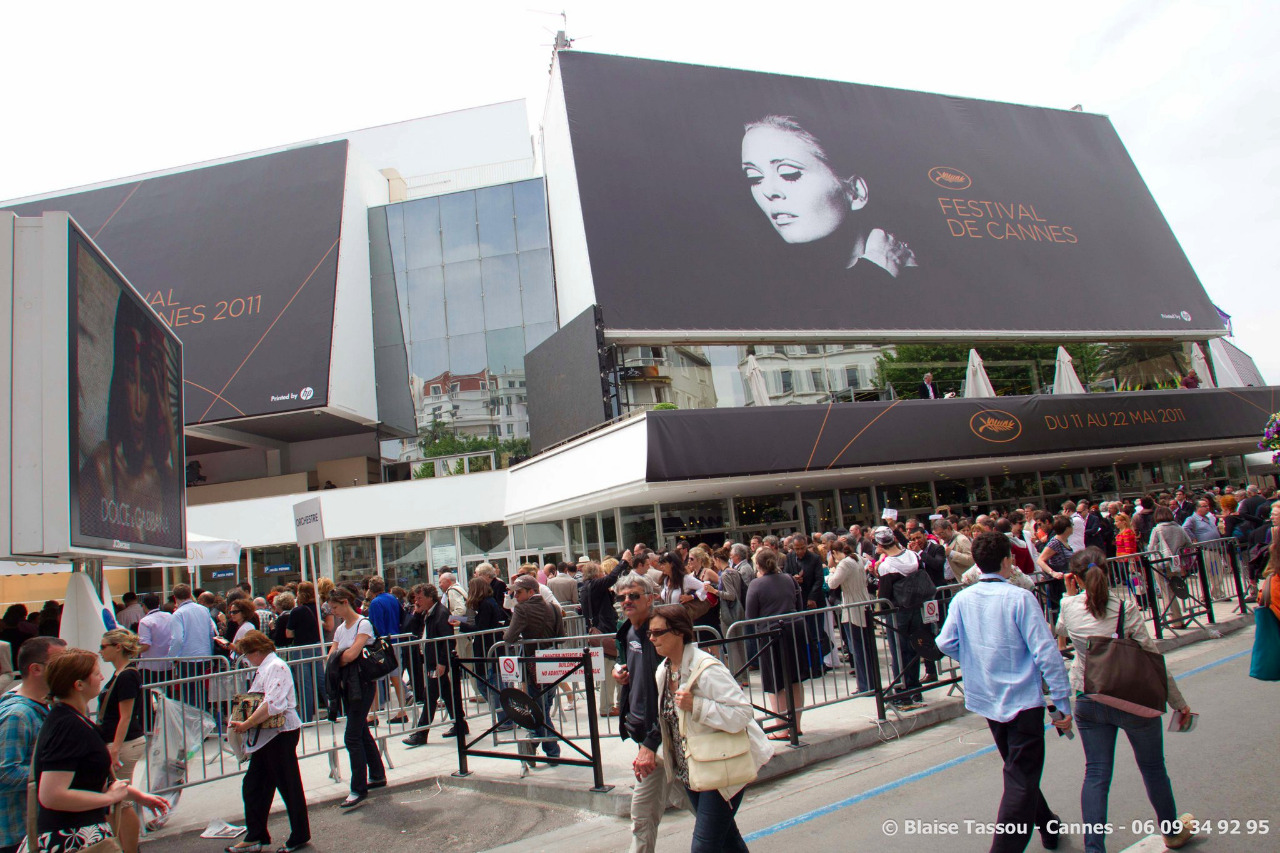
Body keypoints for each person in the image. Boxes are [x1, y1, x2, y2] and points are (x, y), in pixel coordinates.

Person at [937, 532, 1073, 853]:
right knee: (1020, 778)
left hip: (988, 697)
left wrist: (975, 659)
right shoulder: (1020, 598)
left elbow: (945, 642)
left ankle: (1048, 824)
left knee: (1018, 771)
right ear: (1006, 562)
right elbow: (1047, 654)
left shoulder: (963, 598)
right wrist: (1061, 703)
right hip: (1022, 700)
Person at [1056, 548, 1195, 851]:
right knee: (1153, 768)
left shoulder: (1068, 606)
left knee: (1096, 774)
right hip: (1132, 698)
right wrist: (1178, 702)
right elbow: (1152, 656)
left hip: (1089, 696)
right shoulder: (1125, 607)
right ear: (1106, 572)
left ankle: (1094, 848)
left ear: (1075, 578)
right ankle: (1171, 831)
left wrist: (1070, 595)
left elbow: (1061, 631)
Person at [649, 605, 771, 853]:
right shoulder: (663, 671)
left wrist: (698, 706)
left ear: (679, 632)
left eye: (658, 633)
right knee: (727, 841)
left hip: (721, 768)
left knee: (704, 847)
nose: (652, 638)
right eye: (650, 633)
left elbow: (742, 713)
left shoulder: (707, 669)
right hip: (693, 770)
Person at [24, 649, 168, 853]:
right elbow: (51, 795)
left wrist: (135, 795)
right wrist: (110, 798)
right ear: (78, 684)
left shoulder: (68, 719)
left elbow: (84, 780)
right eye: (95, 673)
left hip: (77, 834)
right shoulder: (68, 725)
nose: (101, 677)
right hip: (74, 837)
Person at [740, 114, 917, 278]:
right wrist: (876, 269)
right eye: (755, 178)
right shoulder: (756, 289)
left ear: (855, 192)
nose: (769, 191)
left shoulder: (920, 279)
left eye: (789, 174)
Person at [76, 291, 181, 550]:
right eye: (131, 380)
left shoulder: (166, 476)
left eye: (145, 385)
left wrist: (168, 423)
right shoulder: (101, 468)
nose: (136, 405)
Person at [612, 573, 682, 853]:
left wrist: (651, 744)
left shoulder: (659, 633)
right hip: (649, 736)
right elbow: (629, 664)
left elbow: (670, 694)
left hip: (669, 737)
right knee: (642, 817)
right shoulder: (626, 630)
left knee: (705, 808)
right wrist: (621, 672)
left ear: (651, 598)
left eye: (633, 595)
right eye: (622, 597)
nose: (627, 601)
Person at [226, 629, 309, 853]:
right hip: (269, 734)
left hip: (280, 733)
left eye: (248, 654)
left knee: (286, 784)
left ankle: (295, 834)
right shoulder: (268, 667)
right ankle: (257, 834)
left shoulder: (275, 667)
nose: (247, 659)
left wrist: (246, 724)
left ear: (256, 651)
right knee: (255, 785)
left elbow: (273, 704)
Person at [0, 638, 65, 853]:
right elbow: (5, 772)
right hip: (18, 833)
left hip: (32, 829)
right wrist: (59, 775)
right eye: (60, 663)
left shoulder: (43, 705)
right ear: (36, 669)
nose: (67, 668)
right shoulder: (18, 714)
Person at [323, 588, 384, 809]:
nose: (334, 611)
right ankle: (377, 774)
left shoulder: (363, 624)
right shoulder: (341, 629)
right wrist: (340, 658)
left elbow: (350, 654)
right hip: (347, 684)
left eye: (336, 607)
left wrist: (339, 658)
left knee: (352, 736)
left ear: (345, 602)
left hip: (362, 683)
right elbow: (334, 655)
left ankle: (358, 787)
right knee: (360, 731)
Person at [744, 547, 814, 740]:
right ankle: (795, 725)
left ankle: (782, 726)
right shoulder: (789, 579)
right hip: (794, 628)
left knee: (776, 682)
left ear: (757, 565)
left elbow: (750, 615)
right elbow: (799, 604)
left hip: (772, 634)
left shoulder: (756, 585)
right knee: (795, 679)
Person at [503, 576, 564, 763]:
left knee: (539, 708)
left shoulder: (522, 609)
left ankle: (547, 748)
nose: (516, 596)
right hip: (553, 662)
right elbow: (560, 637)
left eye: (519, 592)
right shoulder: (554, 607)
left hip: (534, 664)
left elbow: (509, 637)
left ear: (531, 592)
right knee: (543, 706)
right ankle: (538, 746)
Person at [96, 630, 147, 853]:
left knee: (122, 802)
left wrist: (115, 749)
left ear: (118, 647)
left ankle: (129, 848)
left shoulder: (126, 675)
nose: (100, 651)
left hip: (125, 743)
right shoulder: (121, 674)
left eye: (104, 646)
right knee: (119, 801)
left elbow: (125, 716)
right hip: (120, 742)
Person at [872, 527, 926, 709]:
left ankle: (902, 694)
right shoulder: (912, 556)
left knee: (899, 652)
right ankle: (915, 689)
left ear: (880, 544)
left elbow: (885, 594)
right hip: (916, 607)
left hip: (897, 611)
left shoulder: (887, 566)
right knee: (914, 648)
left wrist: (876, 574)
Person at [401, 585, 457, 747]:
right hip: (430, 659)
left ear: (430, 597)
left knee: (430, 697)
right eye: (415, 598)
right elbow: (411, 630)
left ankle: (421, 733)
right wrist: (417, 615)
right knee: (445, 693)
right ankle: (460, 723)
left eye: (419, 598)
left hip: (436, 661)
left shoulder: (440, 613)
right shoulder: (427, 613)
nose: (416, 602)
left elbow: (447, 640)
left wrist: (442, 662)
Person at [581, 556, 631, 717]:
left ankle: (613, 705)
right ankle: (607, 707)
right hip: (604, 632)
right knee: (610, 668)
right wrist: (623, 562)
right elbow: (611, 578)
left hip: (599, 631)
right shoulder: (594, 585)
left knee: (612, 666)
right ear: (596, 574)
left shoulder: (587, 587)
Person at [827, 537, 876, 694]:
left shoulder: (845, 563)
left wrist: (831, 572)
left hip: (853, 606)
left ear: (834, 553)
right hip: (862, 602)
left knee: (859, 648)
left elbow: (832, 583)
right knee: (864, 647)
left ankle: (865, 685)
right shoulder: (858, 559)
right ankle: (869, 683)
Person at [364, 577, 408, 725]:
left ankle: (373, 714)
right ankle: (402, 710)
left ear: (370, 589)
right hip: (395, 640)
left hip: (382, 644)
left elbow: (376, 626)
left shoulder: (375, 603)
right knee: (396, 677)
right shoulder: (393, 598)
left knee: (375, 678)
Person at [1036, 516, 1074, 655]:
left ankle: (1062, 644)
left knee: (1065, 611)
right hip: (1059, 582)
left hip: (1067, 580)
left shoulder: (1063, 541)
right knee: (1060, 611)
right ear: (1067, 528)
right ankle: (1059, 645)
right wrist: (1052, 573)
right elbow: (1041, 560)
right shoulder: (1055, 542)